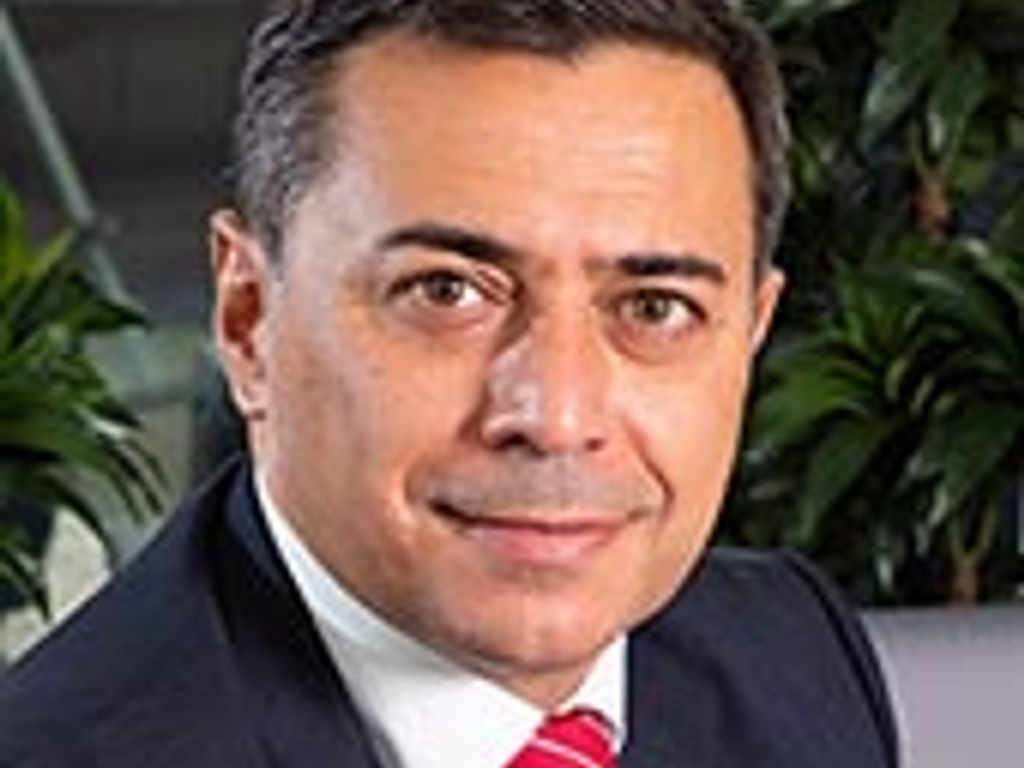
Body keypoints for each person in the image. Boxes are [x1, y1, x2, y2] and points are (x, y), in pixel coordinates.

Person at [0, 1, 900, 766]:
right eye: (447, 292)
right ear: (248, 319)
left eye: (655, 307)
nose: (557, 415)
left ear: (750, 333)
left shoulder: (791, 649)